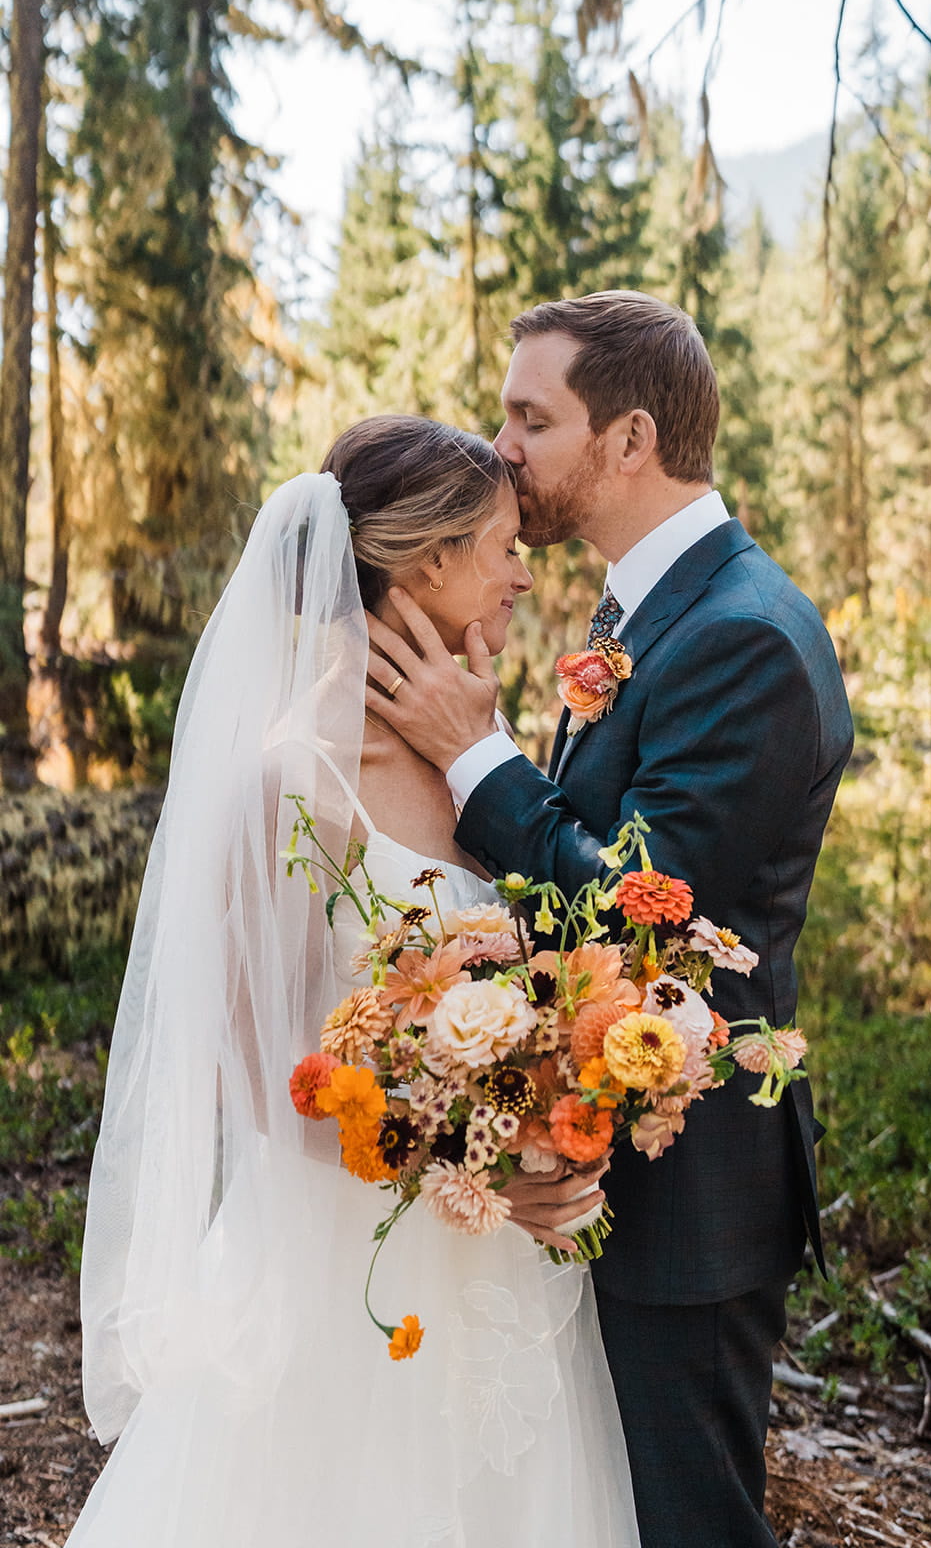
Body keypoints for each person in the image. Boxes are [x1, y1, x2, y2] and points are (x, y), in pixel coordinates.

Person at [69, 416, 640, 1548]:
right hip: (348, 1276)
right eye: (501, 545)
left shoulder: (474, 743)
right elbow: (262, 1066)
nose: (525, 573)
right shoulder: (290, 781)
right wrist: (464, 1163)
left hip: (499, 1279)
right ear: (425, 564)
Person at [365, 293, 855, 1548]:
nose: (504, 447)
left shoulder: (739, 635)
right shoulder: (645, 608)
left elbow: (648, 915)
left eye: (532, 417)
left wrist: (476, 759)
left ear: (629, 439)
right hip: (602, 1163)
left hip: (686, 1200)